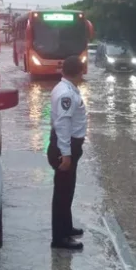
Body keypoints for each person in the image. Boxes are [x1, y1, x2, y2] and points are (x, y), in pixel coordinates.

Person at [47, 55, 87, 250]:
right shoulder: (66, 94)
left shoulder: (66, 89)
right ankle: (59, 238)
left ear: (63, 71)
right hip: (66, 146)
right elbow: (63, 124)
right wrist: (66, 154)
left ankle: (66, 227)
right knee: (62, 192)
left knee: (67, 189)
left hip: (68, 145)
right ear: (80, 72)